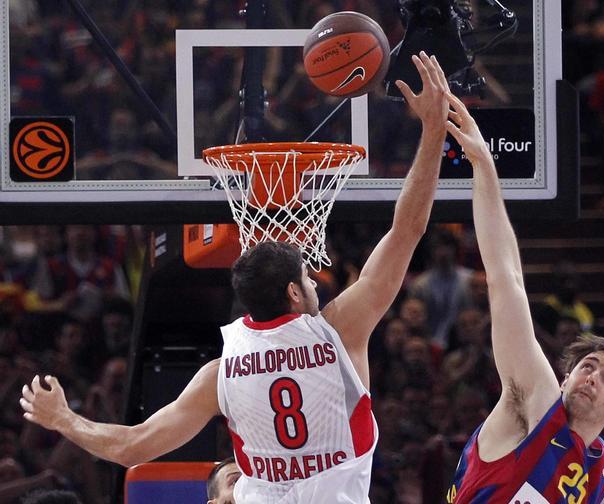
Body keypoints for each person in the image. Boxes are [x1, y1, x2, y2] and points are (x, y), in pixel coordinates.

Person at [19, 51, 450, 503]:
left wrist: (63, 418)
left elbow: (132, 447)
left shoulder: (220, 374)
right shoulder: (339, 332)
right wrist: (433, 128)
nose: (315, 282)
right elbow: (408, 229)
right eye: (308, 276)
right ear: (291, 292)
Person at [442, 92, 604, 503]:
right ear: (565, 377)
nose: (593, 377)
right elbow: (506, 281)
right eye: (588, 366)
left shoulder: (602, 467)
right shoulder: (535, 404)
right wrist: (483, 165)